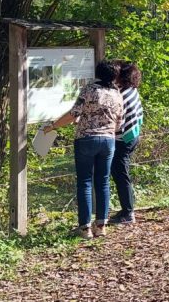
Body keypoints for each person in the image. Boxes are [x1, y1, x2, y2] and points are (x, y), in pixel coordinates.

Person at [43, 60, 124, 238]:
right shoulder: (117, 94)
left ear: (98, 73)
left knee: (85, 182)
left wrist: (53, 126)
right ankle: (101, 225)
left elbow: (74, 114)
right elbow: (119, 121)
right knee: (103, 182)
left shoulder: (89, 90)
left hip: (86, 139)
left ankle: (85, 227)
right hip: (108, 140)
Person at [109, 60, 144, 225]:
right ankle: (127, 209)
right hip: (132, 135)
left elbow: (117, 120)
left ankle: (128, 212)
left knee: (120, 173)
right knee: (121, 172)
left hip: (122, 139)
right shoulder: (132, 90)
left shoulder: (120, 93)